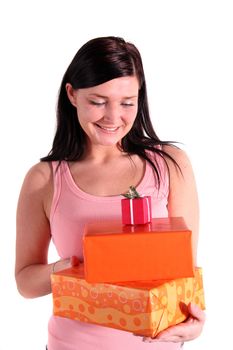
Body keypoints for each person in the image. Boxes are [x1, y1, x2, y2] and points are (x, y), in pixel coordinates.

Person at [15, 36, 205, 350]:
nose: (113, 117)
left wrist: (194, 322)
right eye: (98, 101)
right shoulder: (44, 179)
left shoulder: (170, 166)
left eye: (127, 102)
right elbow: (25, 282)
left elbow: (185, 273)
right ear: (72, 95)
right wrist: (67, 268)